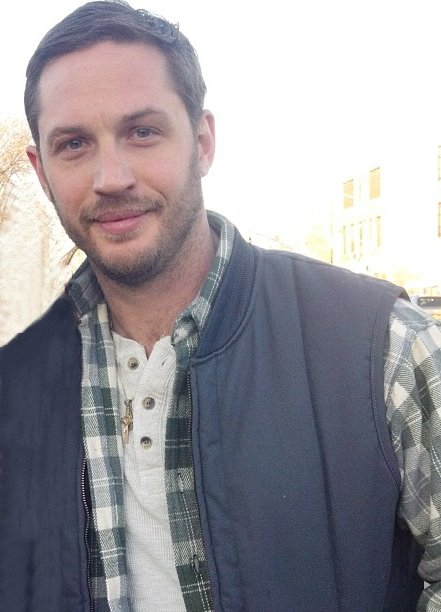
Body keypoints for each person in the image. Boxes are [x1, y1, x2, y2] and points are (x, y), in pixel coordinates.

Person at [1, 1, 441, 610]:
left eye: (142, 131)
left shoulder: (382, 349)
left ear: (203, 141)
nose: (112, 176)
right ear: (42, 172)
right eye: (74, 144)